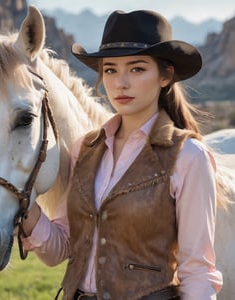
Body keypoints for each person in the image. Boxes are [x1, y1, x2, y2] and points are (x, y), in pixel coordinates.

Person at [22, 9, 223, 300]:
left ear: (165, 75)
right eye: (110, 70)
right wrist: (24, 203)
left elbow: (198, 271)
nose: (120, 83)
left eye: (137, 68)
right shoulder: (86, 149)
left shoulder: (189, 157)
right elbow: (60, 248)